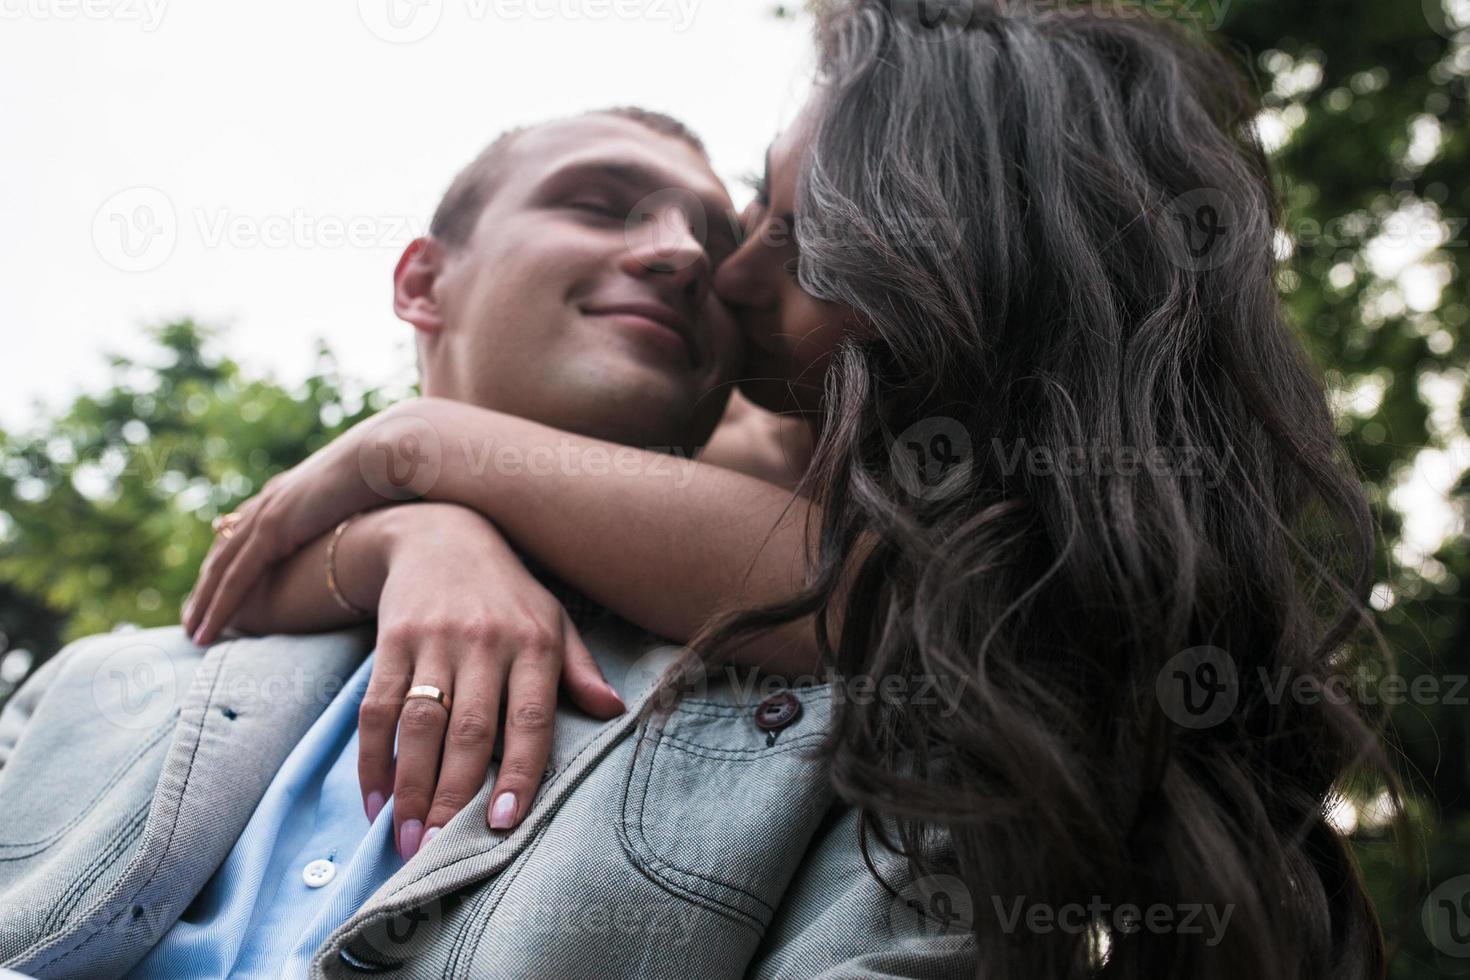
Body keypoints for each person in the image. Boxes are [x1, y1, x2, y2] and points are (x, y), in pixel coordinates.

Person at [185, 2, 1394, 978]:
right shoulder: (141, 692)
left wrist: (426, 448)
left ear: (954, 283)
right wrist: (417, 531)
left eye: (800, 238)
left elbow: (880, 584)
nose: (725, 269)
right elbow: (232, 592)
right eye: (758, 210)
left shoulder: (914, 580)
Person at [0, 105, 968, 979]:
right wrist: (411, 527)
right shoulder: (85, 688)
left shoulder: (853, 731)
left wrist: (416, 453)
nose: (682, 254)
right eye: (601, 204)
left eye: (712, 248)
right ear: (424, 280)